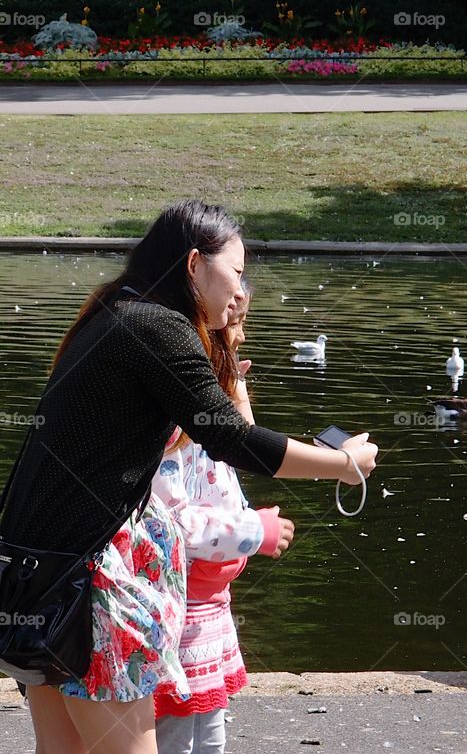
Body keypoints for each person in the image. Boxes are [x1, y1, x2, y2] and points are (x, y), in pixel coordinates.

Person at [0, 200, 377, 754]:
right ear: (195, 263)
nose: (242, 291)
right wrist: (343, 466)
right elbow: (232, 438)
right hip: (86, 585)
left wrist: (225, 340)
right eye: (237, 273)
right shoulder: (155, 326)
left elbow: (217, 425)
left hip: (35, 575)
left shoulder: (116, 312)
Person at [153, 283, 295, 754]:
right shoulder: (172, 429)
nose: (240, 339)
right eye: (230, 328)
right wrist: (256, 531)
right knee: (175, 727)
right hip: (177, 608)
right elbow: (174, 523)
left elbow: (245, 444)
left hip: (211, 603)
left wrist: (233, 389)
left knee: (211, 727)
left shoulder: (211, 420)